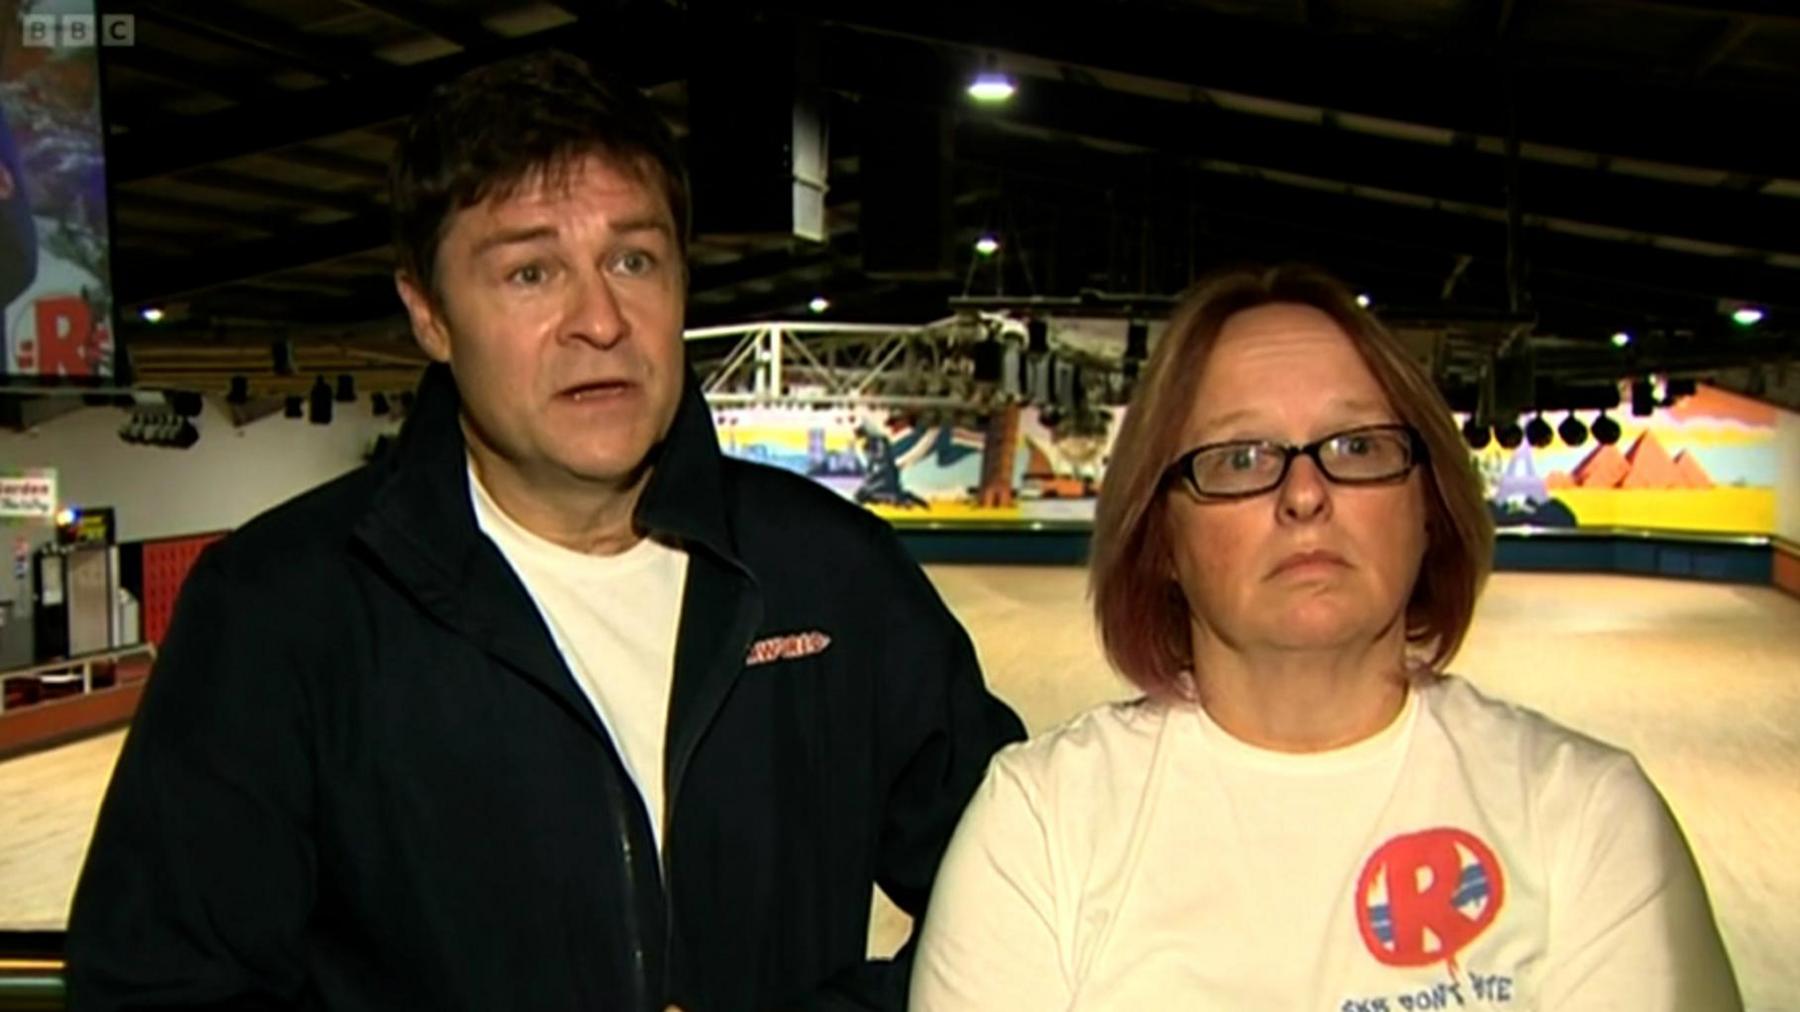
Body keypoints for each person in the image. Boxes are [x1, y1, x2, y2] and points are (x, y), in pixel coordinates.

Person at [67, 51, 1023, 1011]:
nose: (599, 320)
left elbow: (1033, 891)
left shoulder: (832, 574)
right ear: (429, 314)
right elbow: (158, 990)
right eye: (531, 271)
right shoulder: (281, 610)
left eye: (633, 259)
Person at [910, 265, 1740, 1010]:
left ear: (1428, 506)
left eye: (1358, 446)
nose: (1305, 494)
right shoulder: (1038, 825)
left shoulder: (1589, 818)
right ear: (1161, 537)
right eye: (1240, 457)